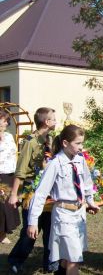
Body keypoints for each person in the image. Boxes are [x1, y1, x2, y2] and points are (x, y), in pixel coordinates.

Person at [27, 124, 99, 275]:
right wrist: (32, 221)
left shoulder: (80, 161)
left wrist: (90, 201)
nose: (81, 147)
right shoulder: (55, 164)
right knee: (74, 259)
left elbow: (87, 183)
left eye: (82, 143)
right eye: (78, 143)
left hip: (79, 215)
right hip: (63, 215)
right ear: (65, 143)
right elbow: (40, 194)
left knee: (67, 259)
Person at [8, 107, 56, 274]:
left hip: (49, 190)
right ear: (46, 122)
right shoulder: (30, 142)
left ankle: (49, 263)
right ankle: (15, 260)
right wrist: (14, 195)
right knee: (31, 230)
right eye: (53, 119)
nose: (56, 122)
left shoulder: (50, 140)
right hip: (32, 190)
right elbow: (20, 170)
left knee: (50, 229)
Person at [0, 109, 19, 245]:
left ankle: (3, 233)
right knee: (1, 206)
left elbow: (13, 154)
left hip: (9, 174)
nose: (6, 123)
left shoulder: (9, 136)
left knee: (7, 205)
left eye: (7, 120)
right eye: (4, 119)